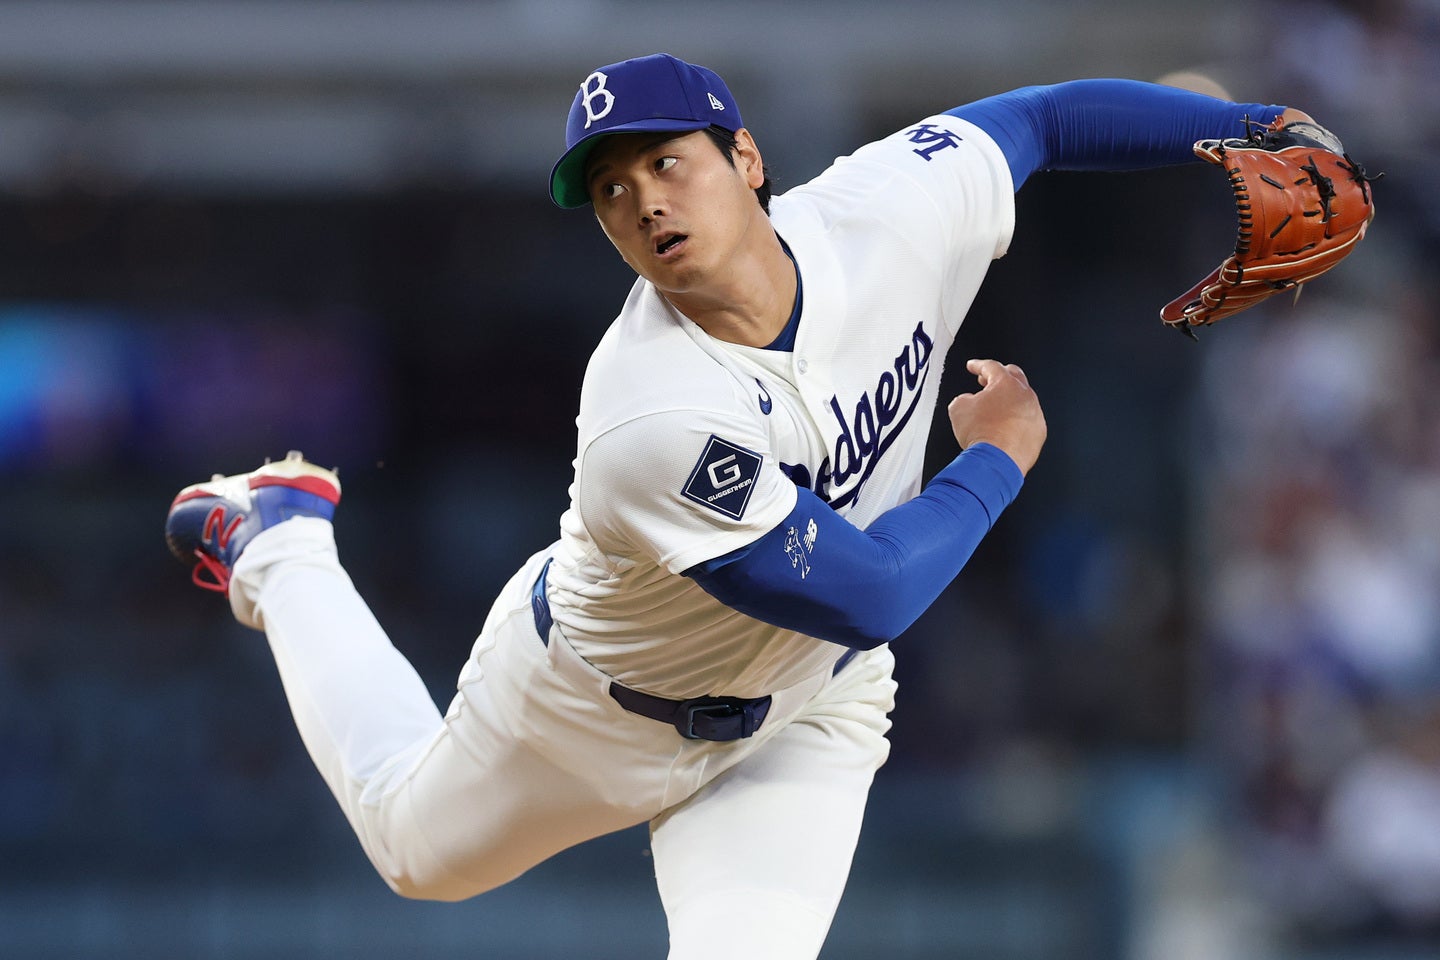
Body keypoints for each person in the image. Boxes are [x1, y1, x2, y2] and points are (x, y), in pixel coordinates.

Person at [164, 52, 1311, 958]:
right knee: (415, 852)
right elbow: (869, 594)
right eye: (611, 192)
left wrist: (1256, 124)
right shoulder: (648, 411)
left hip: (801, 717)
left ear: (747, 157)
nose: (645, 202)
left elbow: (1047, 118)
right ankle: (282, 538)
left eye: (669, 163)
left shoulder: (888, 212)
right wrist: (997, 460)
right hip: (589, 712)